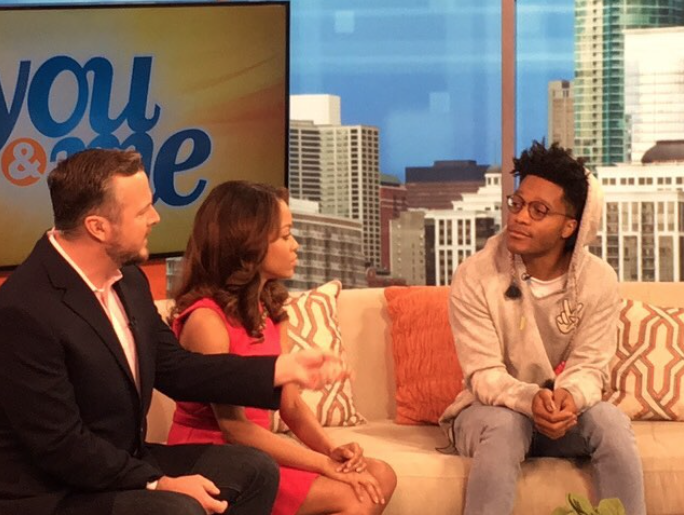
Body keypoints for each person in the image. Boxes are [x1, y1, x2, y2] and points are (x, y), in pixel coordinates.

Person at [0, 149, 347, 515]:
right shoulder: (23, 309)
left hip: (120, 459)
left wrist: (280, 369)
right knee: (177, 509)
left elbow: (178, 369)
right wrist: (157, 482)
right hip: (53, 489)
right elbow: (61, 445)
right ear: (98, 227)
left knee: (254, 468)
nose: (155, 217)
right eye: (142, 211)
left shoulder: (128, 280)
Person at [438, 141, 646, 515]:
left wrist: (569, 398)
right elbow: (483, 374)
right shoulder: (475, 275)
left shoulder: (599, 280)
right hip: (488, 412)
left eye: (539, 210)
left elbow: (590, 367)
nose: (519, 217)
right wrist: (528, 401)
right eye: (517, 204)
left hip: (564, 415)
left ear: (570, 225)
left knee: (609, 420)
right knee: (506, 425)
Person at [166, 181, 397, 515]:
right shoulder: (206, 320)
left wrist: (332, 451)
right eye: (286, 235)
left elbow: (290, 404)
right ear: (250, 244)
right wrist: (321, 465)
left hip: (259, 451)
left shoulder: (269, 309)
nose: (296, 245)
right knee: (356, 496)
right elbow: (235, 428)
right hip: (217, 457)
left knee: (380, 475)